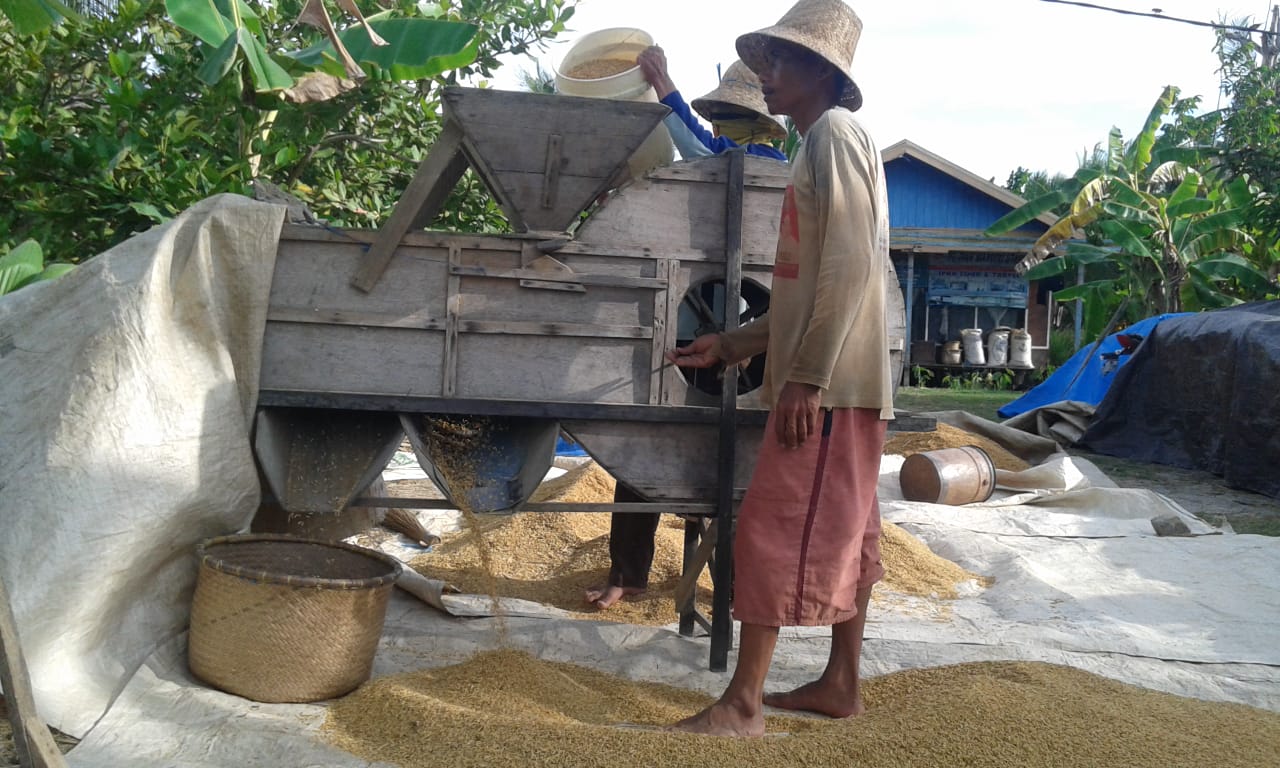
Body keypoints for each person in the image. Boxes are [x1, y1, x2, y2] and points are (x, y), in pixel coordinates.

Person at [664, 0, 893, 737]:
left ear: (822, 72)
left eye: (781, 61)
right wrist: (733, 345)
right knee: (850, 531)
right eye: (766, 60)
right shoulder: (819, 141)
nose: (765, 74)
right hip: (843, 387)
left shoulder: (833, 133)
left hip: (830, 392)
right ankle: (841, 683)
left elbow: (853, 267)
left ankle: (742, 705)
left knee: (772, 530)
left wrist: (806, 380)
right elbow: (810, 291)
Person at [583, 50, 790, 613]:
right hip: (710, 322)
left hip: (735, 333)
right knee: (656, 452)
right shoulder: (748, 159)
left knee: (667, 457)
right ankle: (689, 582)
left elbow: (697, 147)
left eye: (729, 116)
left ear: (756, 123)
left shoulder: (761, 165)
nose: (721, 126)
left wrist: (665, 86)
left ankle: (683, 581)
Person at [638, 46, 788, 162]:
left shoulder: (763, 158)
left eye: (726, 110)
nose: (716, 121)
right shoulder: (775, 157)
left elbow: (701, 147)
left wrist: (660, 79)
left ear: (757, 119)